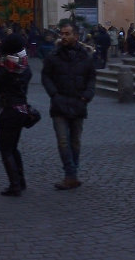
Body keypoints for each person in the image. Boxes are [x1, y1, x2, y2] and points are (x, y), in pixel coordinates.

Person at [40, 22, 97, 190]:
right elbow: (46, 77)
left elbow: (91, 78)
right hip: (59, 103)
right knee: (63, 141)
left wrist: (87, 95)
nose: (63, 36)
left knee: (75, 142)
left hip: (78, 102)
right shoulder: (53, 55)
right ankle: (70, 174)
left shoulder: (85, 56)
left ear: (76, 36)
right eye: (62, 34)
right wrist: (54, 94)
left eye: (67, 34)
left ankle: (72, 175)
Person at [0, 34, 33, 195]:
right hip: (22, 108)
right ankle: (21, 180)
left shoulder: (7, 68)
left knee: (5, 149)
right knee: (13, 148)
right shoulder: (21, 64)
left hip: (10, 110)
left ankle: (15, 185)